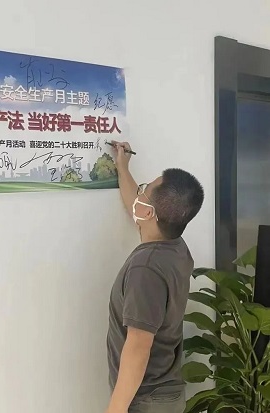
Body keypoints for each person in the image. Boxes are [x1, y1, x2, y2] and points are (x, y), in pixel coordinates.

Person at [105, 141, 204, 413]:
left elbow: (138, 347)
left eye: (144, 189)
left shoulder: (146, 269)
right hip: (164, 395)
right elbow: (137, 209)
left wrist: (115, 409)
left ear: (148, 212)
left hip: (145, 400)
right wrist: (123, 168)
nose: (139, 192)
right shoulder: (176, 246)